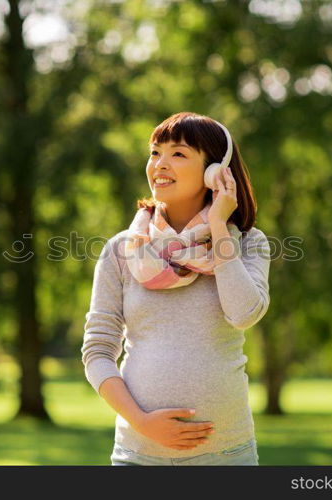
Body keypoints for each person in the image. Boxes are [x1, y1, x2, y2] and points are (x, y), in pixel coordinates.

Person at [81, 111, 271, 465]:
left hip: (226, 455)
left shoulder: (248, 243)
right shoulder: (122, 250)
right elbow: (97, 351)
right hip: (138, 455)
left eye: (178, 154)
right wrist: (142, 422)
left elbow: (244, 313)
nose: (160, 164)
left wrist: (219, 227)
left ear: (216, 172)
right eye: (155, 152)